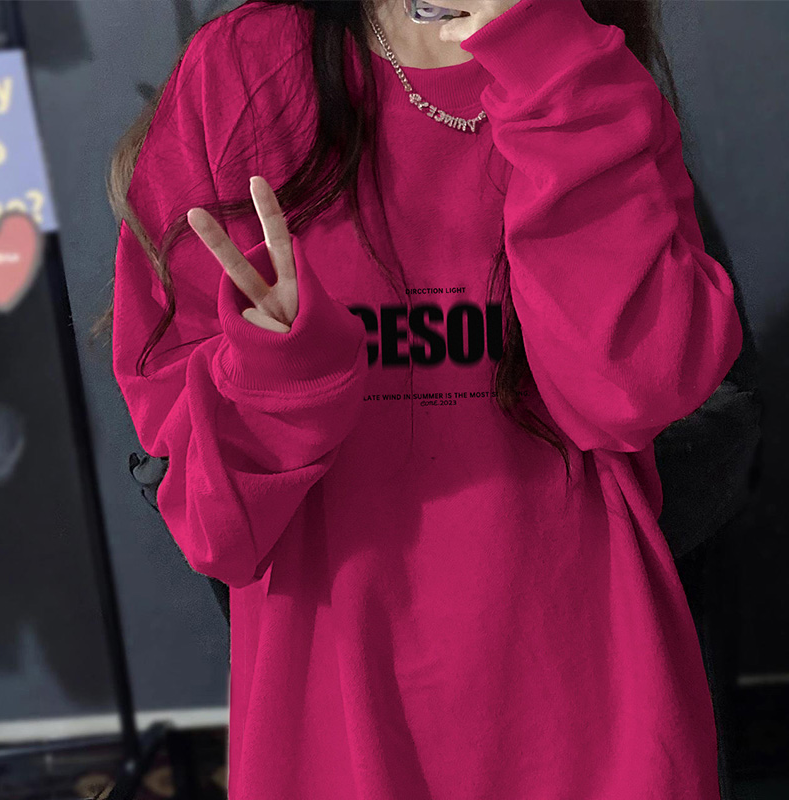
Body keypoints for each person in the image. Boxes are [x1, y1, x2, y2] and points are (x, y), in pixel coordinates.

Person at [103, 1, 744, 797]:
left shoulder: (580, 60)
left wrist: (544, 57)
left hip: (597, 719)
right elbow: (213, 524)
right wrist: (280, 369)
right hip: (337, 731)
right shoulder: (245, 71)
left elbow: (633, 389)